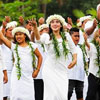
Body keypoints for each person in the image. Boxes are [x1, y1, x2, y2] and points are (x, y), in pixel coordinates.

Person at [38, 14, 77, 100]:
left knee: (62, 95)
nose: (55, 24)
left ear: (61, 25)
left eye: (57, 22)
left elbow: (73, 49)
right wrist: (34, 27)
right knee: (51, 95)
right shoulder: (46, 36)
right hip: (49, 69)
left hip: (62, 70)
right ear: (49, 25)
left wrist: (74, 60)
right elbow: (38, 40)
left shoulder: (66, 36)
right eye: (52, 22)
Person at [0, 26, 42, 100]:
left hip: (28, 76)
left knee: (29, 96)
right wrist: (3, 27)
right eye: (16, 35)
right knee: (16, 95)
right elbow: (2, 37)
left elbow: (40, 57)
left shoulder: (31, 46)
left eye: (20, 34)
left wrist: (37, 70)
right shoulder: (14, 46)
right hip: (17, 76)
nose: (18, 36)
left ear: (25, 35)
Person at [68, 28, 88, 100]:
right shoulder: (66, 47)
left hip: (80, 76)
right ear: (70, 37)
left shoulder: (80, 48)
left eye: (78, 36)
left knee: (80, 94)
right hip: (69, 76)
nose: (77, 38)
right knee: (68, 93)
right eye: (75, 36)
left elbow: (86, 61)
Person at [84, 29, 100, 100]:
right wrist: (85, 39)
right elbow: (87, 44)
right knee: (91, 94)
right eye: (99, 37)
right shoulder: (93, 46)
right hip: (93, 74)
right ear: (95, 38)